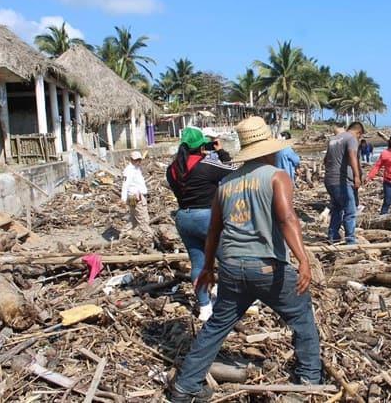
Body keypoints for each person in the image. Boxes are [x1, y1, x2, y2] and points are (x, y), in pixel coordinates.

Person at [169, 117, 321, 402]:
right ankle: (310, 381)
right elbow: (287, 217)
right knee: (302, 318)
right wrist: (303, 259)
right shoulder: (277, 176)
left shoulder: (226, 183)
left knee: (217, 325)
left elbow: (214, 229)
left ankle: (185, 386)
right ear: (267, 149)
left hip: (232, 267)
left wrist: (209, 268)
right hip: (267, 266)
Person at [167, 127, 237, 321]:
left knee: (198, 263)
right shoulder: (206, 165)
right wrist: (220, 151)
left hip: (183, 217)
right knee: (228, 259)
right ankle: (230, 301)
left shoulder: (172, 170)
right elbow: (232, 171)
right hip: (207, 217)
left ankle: (205, 307)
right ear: (200, 147)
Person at [324, 122, 365, 244]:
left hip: (329, 179)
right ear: (359, 133)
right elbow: (353, 156)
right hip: (342, 181)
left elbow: (325, 160)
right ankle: (350, 240)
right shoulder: (351, 138)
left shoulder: (333, 139)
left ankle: (333, 236)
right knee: (350, 210)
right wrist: (357, 176)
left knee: (337, 208)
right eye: (360, 137)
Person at [121, 151, 153, 242]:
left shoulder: (137, 168)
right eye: (136, 160)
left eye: (139, 160)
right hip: (135, 196)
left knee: (134, 217)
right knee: (143, 218)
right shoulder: (128, 170)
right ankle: (149, 237)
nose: (138, 161)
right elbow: (125, 185)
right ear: (131, 160)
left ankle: (124, 232)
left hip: (135, 196)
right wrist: (123, 198)